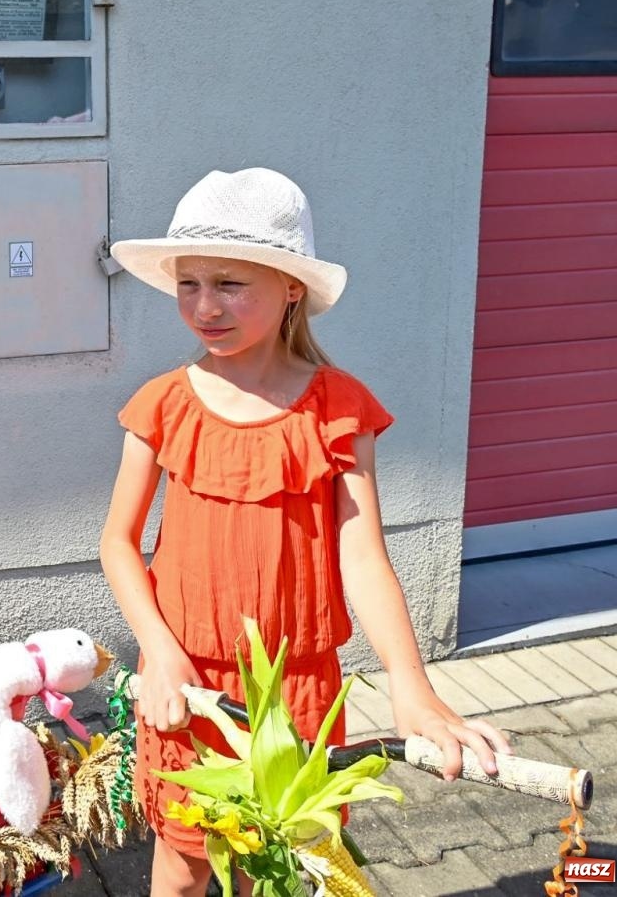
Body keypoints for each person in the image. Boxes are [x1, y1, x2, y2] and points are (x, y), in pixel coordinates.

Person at [99, 168, 511, 896]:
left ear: (291, 286)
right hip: (191, 682)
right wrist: (158, 653)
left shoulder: (339, 407)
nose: (204, 305)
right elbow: (118, 543)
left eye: (229, 284)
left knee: (282, 863)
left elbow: (363, 555)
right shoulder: (162, 404)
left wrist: (411, 688)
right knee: (185, 864)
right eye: (188, 284)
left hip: (298, 693)